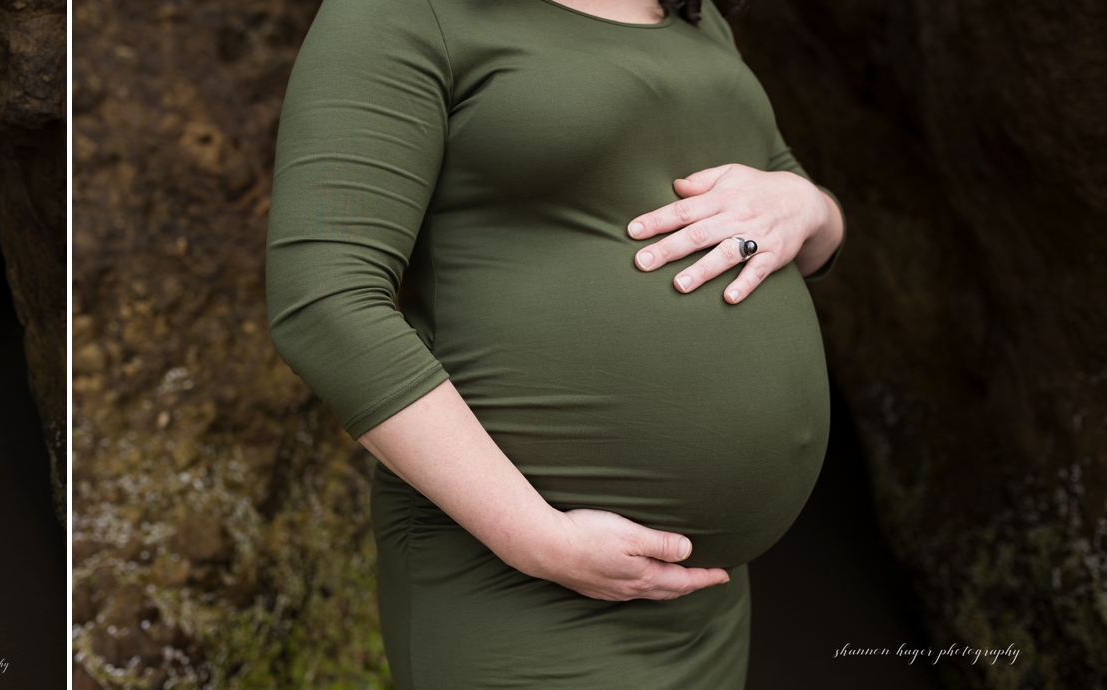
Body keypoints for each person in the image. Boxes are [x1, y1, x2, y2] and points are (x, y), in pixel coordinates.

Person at [265, 0, 845, 687]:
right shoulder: (404, 12)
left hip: (708, 604)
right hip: (519, 582)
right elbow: (325, 299)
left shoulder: (695, 16)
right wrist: (537, 539)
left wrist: (809, 206)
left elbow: (794, 215)